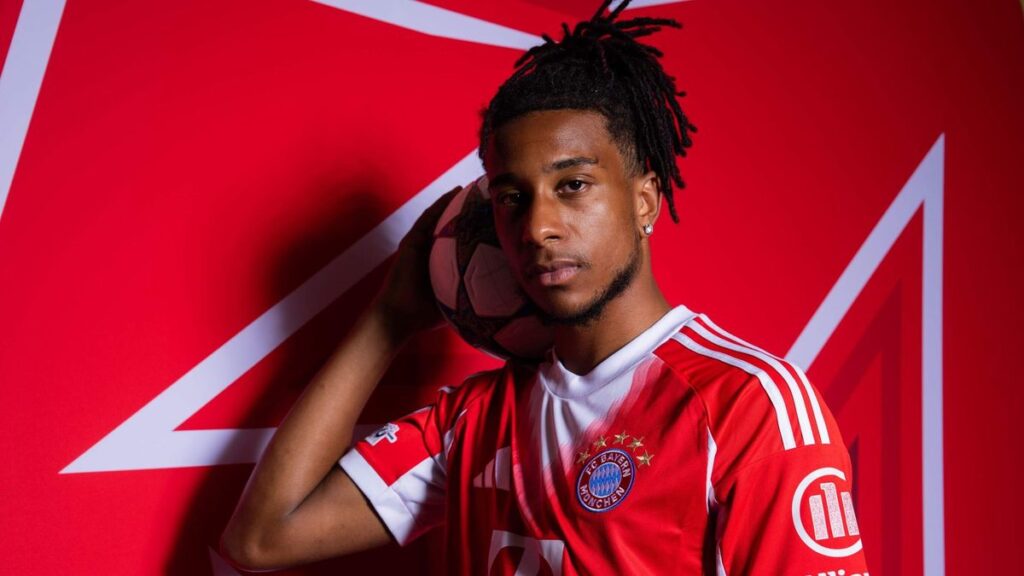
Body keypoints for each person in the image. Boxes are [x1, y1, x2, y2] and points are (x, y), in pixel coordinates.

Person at [222, 1, 871, 574]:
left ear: (645, 198)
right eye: (511, 197)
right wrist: (389, 319)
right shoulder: (477, 420)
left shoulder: (749, 408)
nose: (538, 227)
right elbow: (262, 538)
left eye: (573, 186)